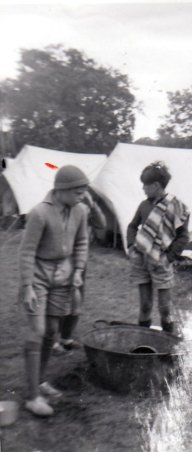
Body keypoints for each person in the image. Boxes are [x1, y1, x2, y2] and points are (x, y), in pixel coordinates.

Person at [19, 165, 90, 416]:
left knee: (51, 331)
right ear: (61, 190)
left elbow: (82, 241)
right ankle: (31, 397)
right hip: (38, 277)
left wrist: (78, 270)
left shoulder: (80, 211)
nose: (82, 196)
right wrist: (27, 286)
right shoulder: (39, 213)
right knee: (37, 331)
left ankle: (39, 381)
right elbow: (27, 251)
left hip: (64, 276)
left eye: (84, 191)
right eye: (78, 191)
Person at [127, 161, 189, 333]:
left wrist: (168, 258)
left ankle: (168, 344)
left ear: (155, 186)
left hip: (162, 262)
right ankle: (143, 340)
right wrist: (131, 246)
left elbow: (183, 236)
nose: (143, 189)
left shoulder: (176, 206)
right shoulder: (143, 206)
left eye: (145, 185)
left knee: (165, 308)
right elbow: (132, 226)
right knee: (145, 305)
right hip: (142, 260)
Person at [53, 189, 107, 354]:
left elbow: (102, 225)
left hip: (80, 261)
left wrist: (93, 204)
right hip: (62, 261)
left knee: (76, 301)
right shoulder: (60, 207)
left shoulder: (85, 207)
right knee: (59, 301)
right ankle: (54, 343)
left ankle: (66, 339)